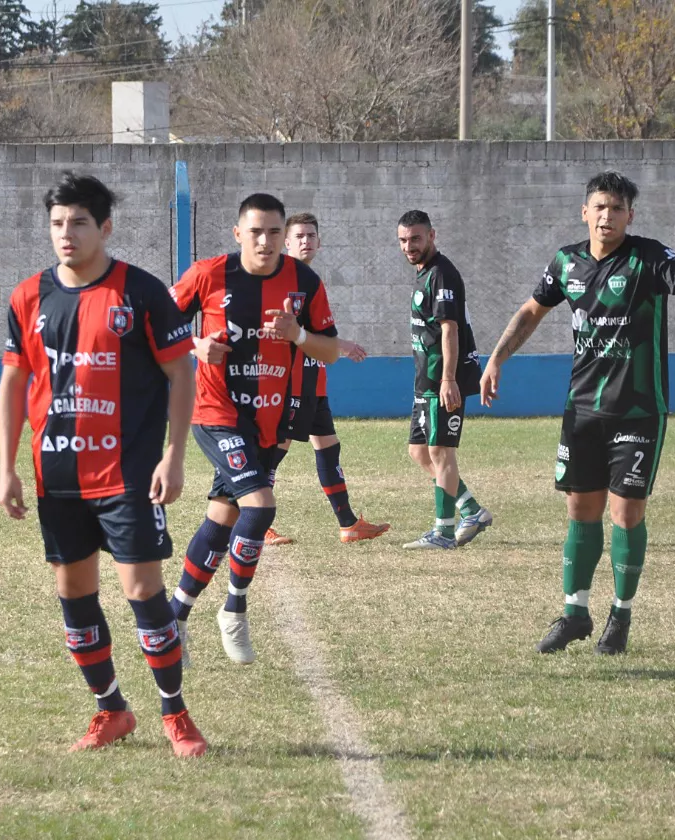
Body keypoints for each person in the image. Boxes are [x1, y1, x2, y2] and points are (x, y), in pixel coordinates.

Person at [479, 171, 675, 655]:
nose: (607, 216)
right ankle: (575, 613)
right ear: (584, 212)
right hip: (582, 408)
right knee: (580, 510)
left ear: (631, 215)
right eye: (600, 207)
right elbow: (530, 311)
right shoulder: (566, 262)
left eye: (617, 209)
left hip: (638, 409)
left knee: (625, 512)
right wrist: (497, 358)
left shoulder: (650, 258)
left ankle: (620, 618)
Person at [0, 172, 206, 757]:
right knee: (75, 596)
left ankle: (176, 714)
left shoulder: (140, 292)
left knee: (143, 591)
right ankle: (111, 710)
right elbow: (14, 382)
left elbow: (180, 372)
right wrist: (7, 467)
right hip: (58, 477)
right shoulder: (28, 296)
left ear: (105, 228)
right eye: (58, 223)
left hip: (128, 474)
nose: (67, 233)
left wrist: (174, 455)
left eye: (79, 223)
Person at [168, 193, 341, 666]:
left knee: (223, 516)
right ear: (238, 233)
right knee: (260, 507)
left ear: (285, 235)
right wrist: (196, 344)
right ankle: (234, 609)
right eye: (256, 232)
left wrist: (298, 335)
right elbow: (154, 325)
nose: (265, 241)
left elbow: (330, 350)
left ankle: (174, 616)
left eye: (274, 232)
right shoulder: (208, 274)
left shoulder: (304, 281)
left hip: (268, 419)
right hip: (215, 411)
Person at [261, 212, 390, 546]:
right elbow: (285, 331)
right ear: (286, 243)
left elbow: (314, 331)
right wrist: (340, 345)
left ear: (319, 241)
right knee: (274, 452)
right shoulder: (282, 279)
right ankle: (254, 523)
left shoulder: (310, 281)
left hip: (313, 379)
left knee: (329, 448)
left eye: (311, 235)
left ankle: (349, 524)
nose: (306, 241)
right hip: (290, 382)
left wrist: (334, 345)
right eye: (299, 236)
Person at [396, 210, 493, 551]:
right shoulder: (424, 273)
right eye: (403, 240)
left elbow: (450, 329)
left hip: (442, 380)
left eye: (416, 238)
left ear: (432, 236)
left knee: (440, 451)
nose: (409, 246)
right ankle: (472, 511)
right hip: (425, 380)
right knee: (419, 451)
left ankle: (444, 532)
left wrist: (448, 379)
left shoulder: (442, 274)